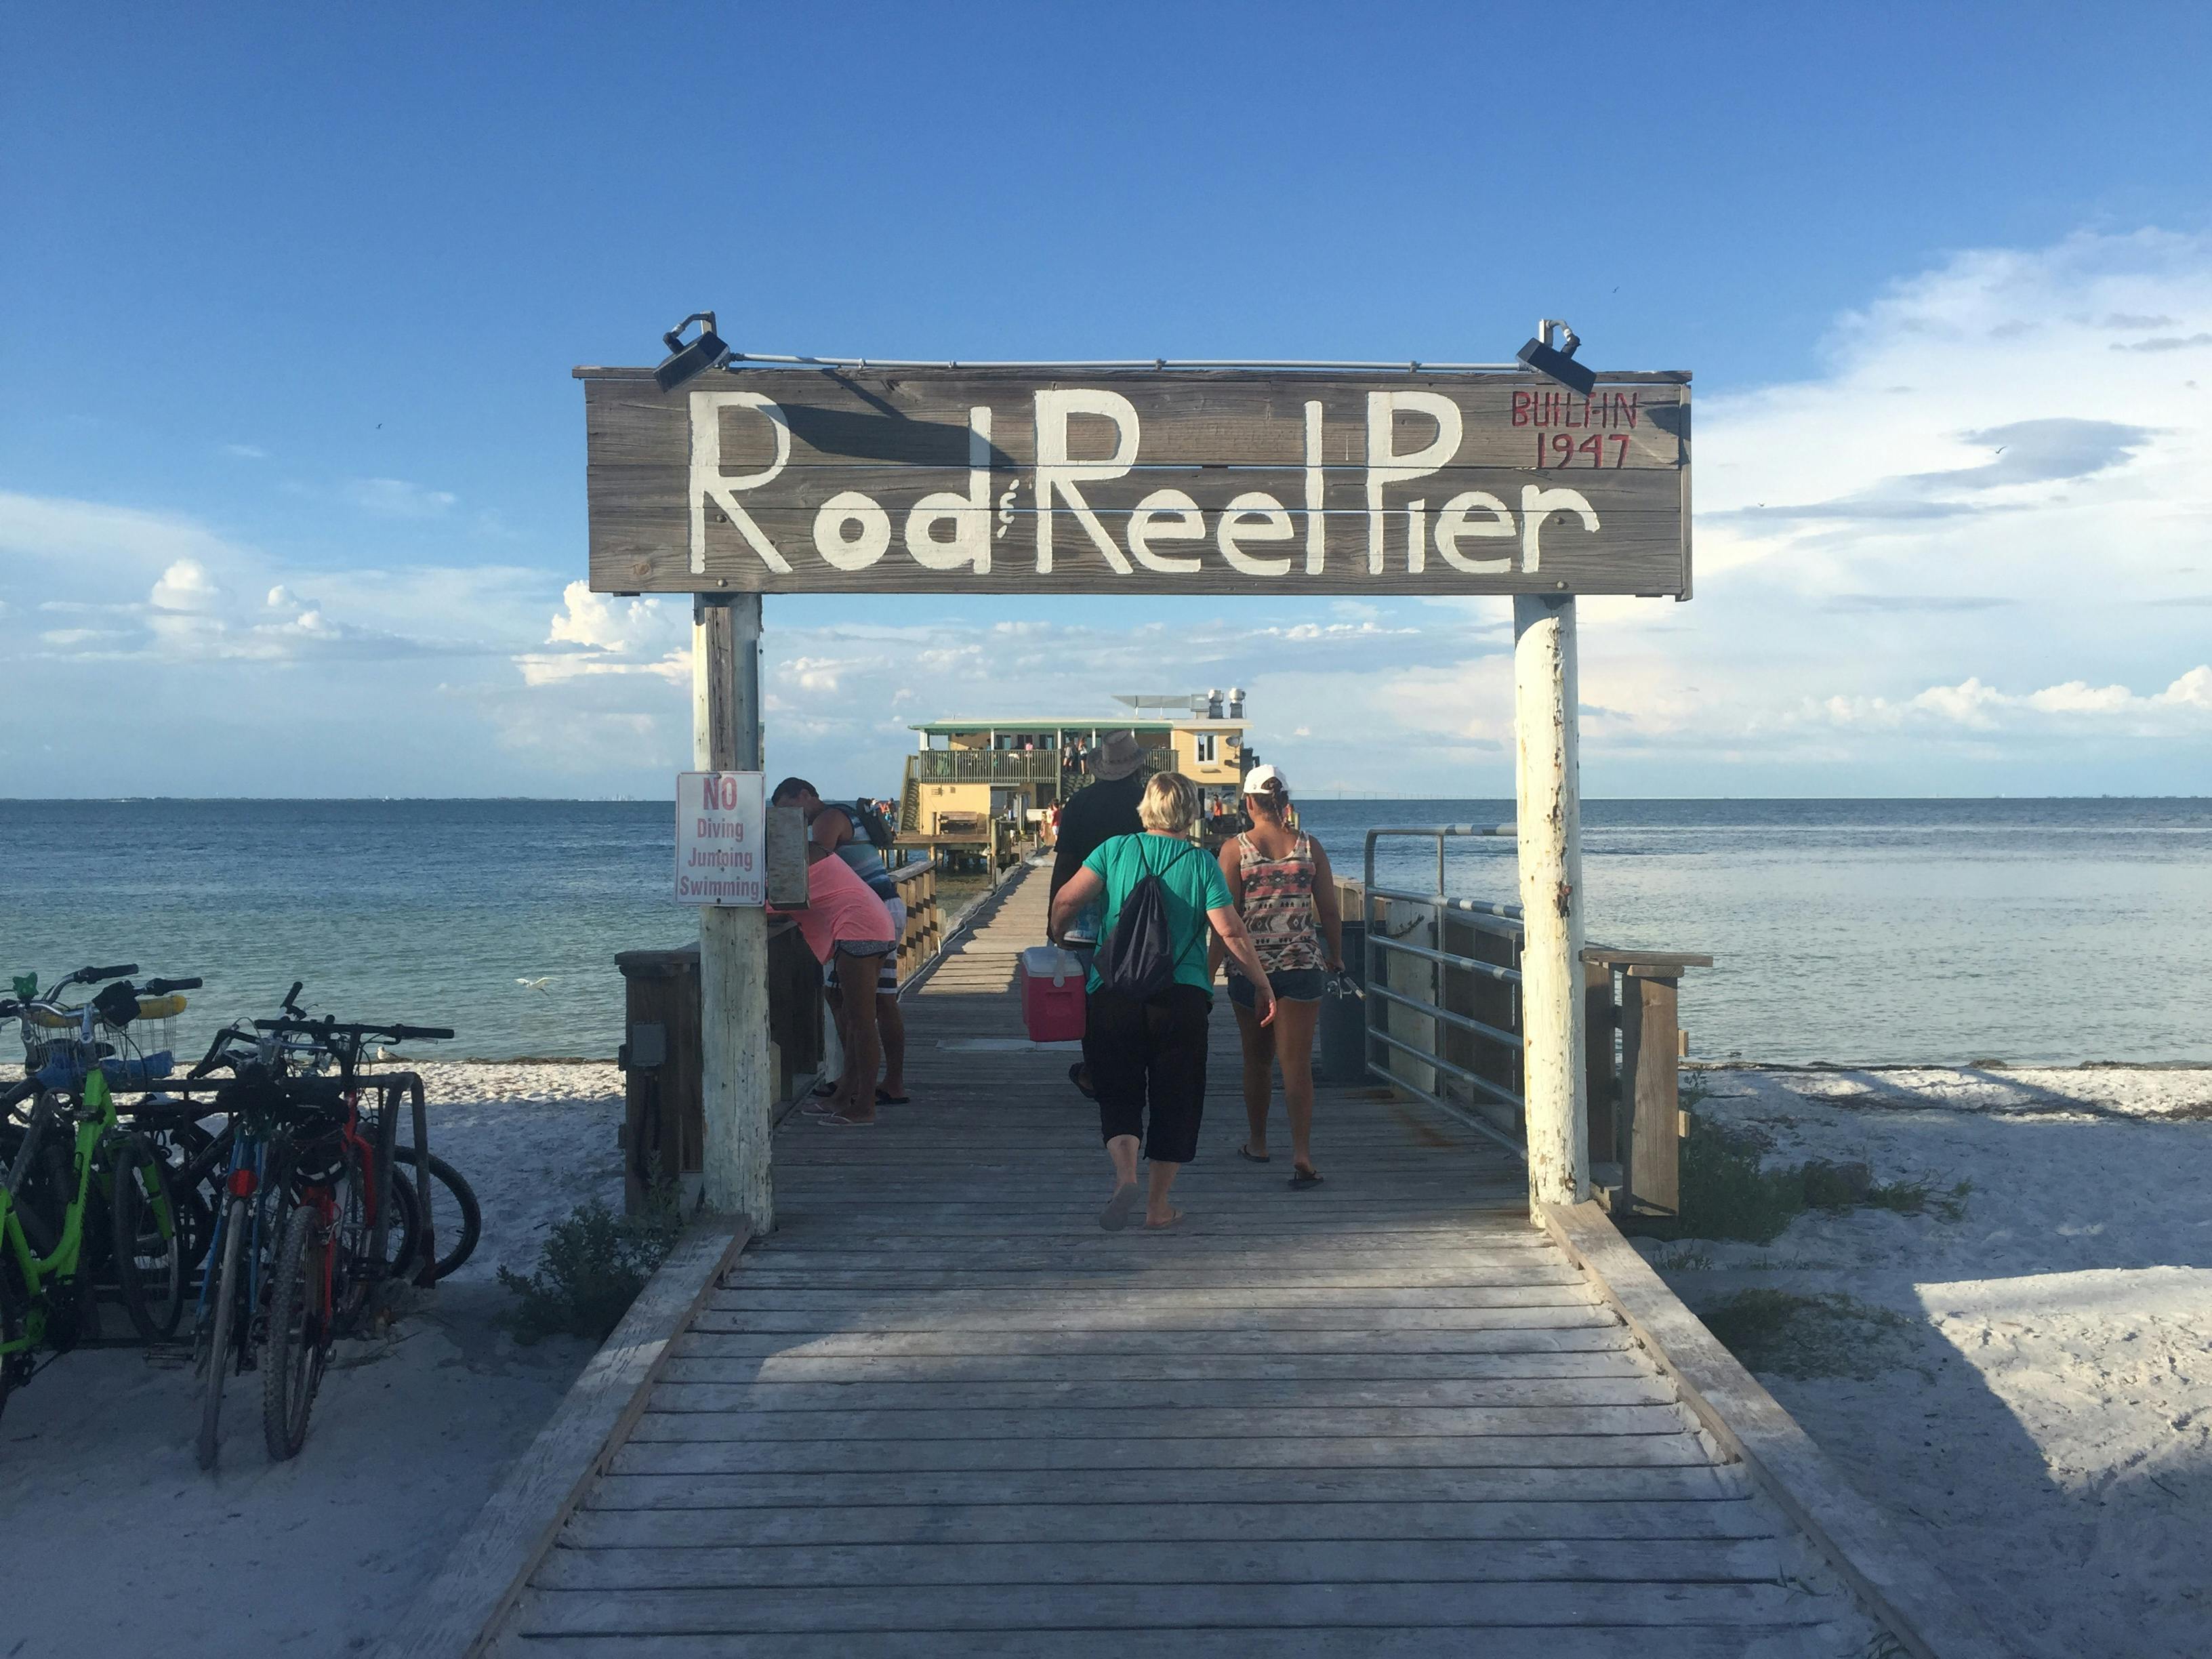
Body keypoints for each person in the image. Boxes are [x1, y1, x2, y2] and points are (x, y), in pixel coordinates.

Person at [1050, 772, 1276, 1231]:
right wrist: (1262, 983)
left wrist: (1058, 935)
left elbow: (1067, 901)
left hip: (1114, 993)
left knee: (1118, 1092)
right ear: (1191, 812)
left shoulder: (1115, 850)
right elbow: (1230, 931)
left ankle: (1126, 1177)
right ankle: (1158, 1205)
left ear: (1146, 808)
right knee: (1177, 1099)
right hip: (1181, 999)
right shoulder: (1202, 864)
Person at [1211, 764, 1342, 1188]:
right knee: (1297, 1064)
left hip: (1250, 970)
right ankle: (1302, 1153)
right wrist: (1335, 956)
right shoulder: (1310, 846)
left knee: (1257, 1060)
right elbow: (1330, 910)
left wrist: (1206, 973)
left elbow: (1224, 919)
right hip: (1303, 966)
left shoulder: (1235, 850)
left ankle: (1259, 1142)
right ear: (1284, 802)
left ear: (1248, 802)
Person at [771, 777, 909, 1109]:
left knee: (854, 1006)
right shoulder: (845, 813)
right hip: (882, 907)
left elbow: (812, 862)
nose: (792, 821)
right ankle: (885, 1082)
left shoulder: (826, 820)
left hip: (863, 918)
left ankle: (856, 1087)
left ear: (804, 795)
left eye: (788, 810)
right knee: (879, 1002)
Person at [1047, 731, 1149, 1099]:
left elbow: (1066, 864)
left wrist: (1054, 916)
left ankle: (1094, 1072)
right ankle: (1133, 1070)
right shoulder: (1147, 804)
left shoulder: (1080, 803)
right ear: (1137, 768)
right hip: (1139, 917)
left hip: (1085, 918)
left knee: (1091, 1002)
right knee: (1136, 996)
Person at [768, 842, 897, 1126]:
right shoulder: (817, 858)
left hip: (859, 931)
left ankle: (864, 1107)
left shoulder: (804, 869)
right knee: (854, 1022)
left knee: (861, 1024)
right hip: (871, 925)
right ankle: (843, 1096)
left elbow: (777, 907)